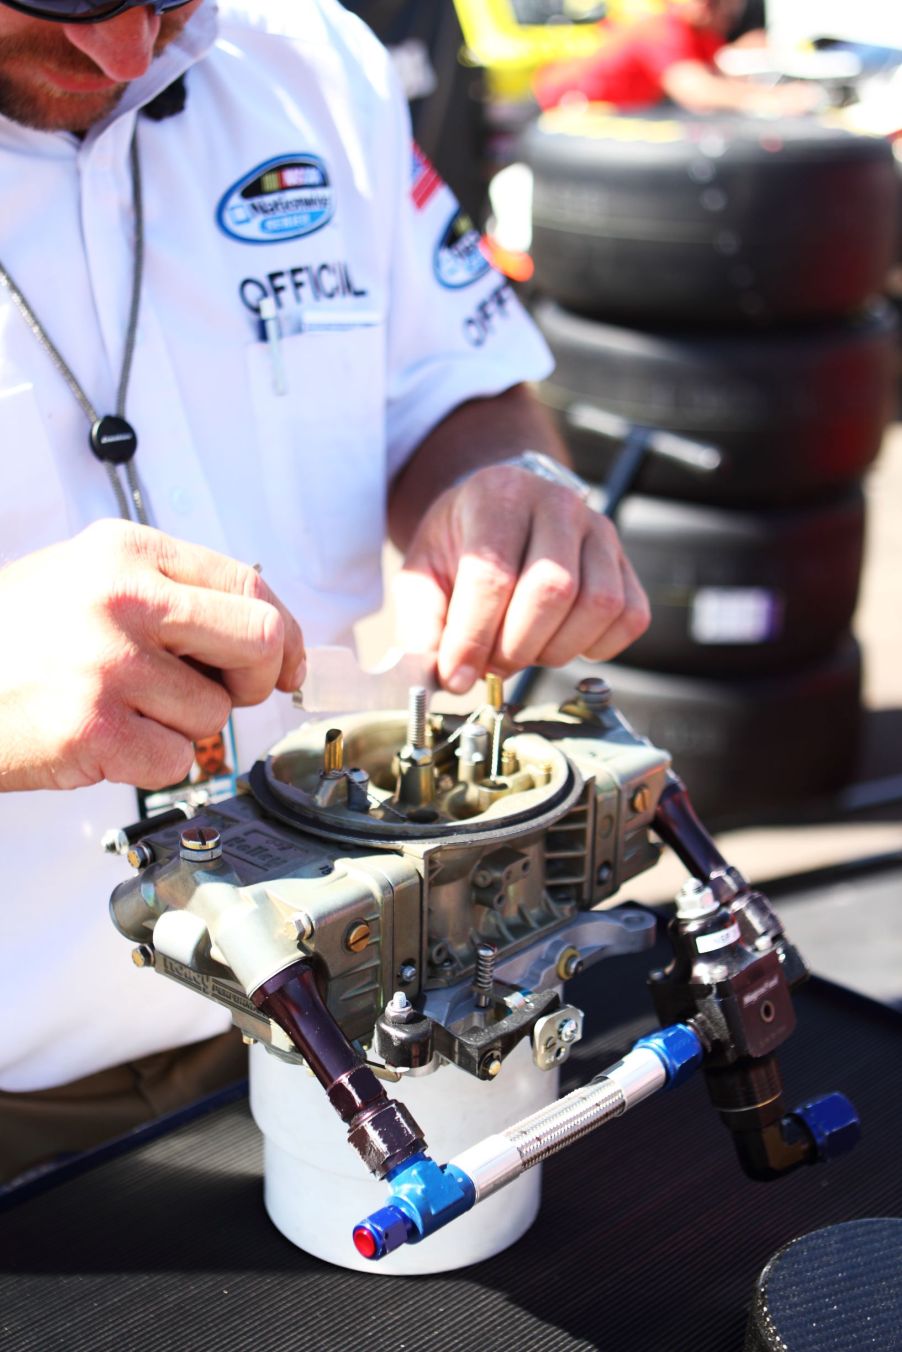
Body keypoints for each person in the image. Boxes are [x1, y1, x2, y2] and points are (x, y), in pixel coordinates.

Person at [0, 0, 650, 1180]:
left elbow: (461, 385)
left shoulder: (313, 59)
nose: (129, 54)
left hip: (354, 1028)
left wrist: (514, 485)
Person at [533, 0, 820, 116]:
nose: (729, 13)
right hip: (551, 112)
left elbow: (720, 74)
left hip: (606, 119)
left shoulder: (701, 35)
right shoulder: (661, 27)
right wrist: (771, 100)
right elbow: (696, 90)